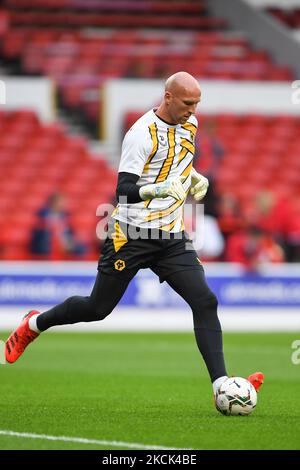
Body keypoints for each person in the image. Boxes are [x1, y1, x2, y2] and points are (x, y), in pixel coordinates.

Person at [2, 72, 263, 410]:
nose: (193, 110)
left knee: (205, 300)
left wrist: (194, 177)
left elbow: (178, 162)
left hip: (171, 234)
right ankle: (34, 324)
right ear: (167, 97)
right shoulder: (140, 134)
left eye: (197, 104)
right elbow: (123, 192)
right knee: (97, 308)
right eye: (187, 103)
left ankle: (220, 385)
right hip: (133, 233)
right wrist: (156, 190)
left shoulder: (191, 124)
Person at [29, 192, 87, 259]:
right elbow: (39, 232)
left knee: (81, 248)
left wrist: (69, 241)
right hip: (48, 242)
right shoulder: (42, 214)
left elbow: (70, 232)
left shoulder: (66, 215)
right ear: (53, 202)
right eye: (61, 202)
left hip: (64, 242)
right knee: (45, 242)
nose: (63, 204)